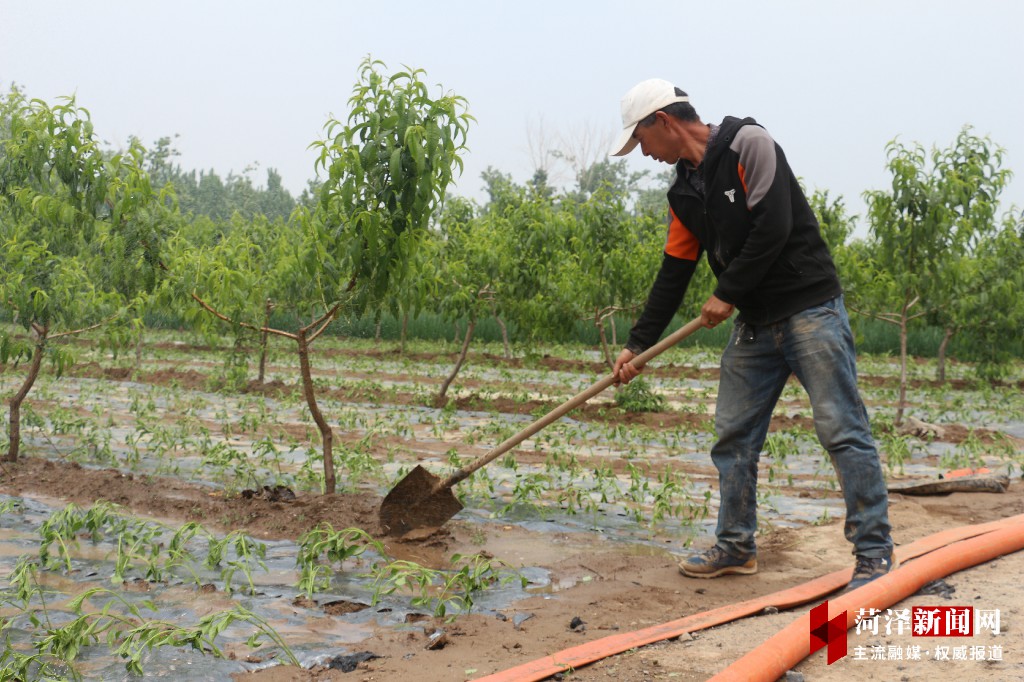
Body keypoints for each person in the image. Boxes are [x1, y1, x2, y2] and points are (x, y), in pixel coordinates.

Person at [609, 78, 894, 591]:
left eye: (641, 140)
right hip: (755, 325)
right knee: (734, 435)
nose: (642, 153)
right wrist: (639, 344)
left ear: (664, 122)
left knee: (841, 429)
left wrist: (729, 291)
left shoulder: (750, 144)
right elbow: (674, 271)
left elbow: (774, 225)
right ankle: (736, 547)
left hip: (809, 309)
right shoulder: (682, 191)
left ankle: (874, 553)